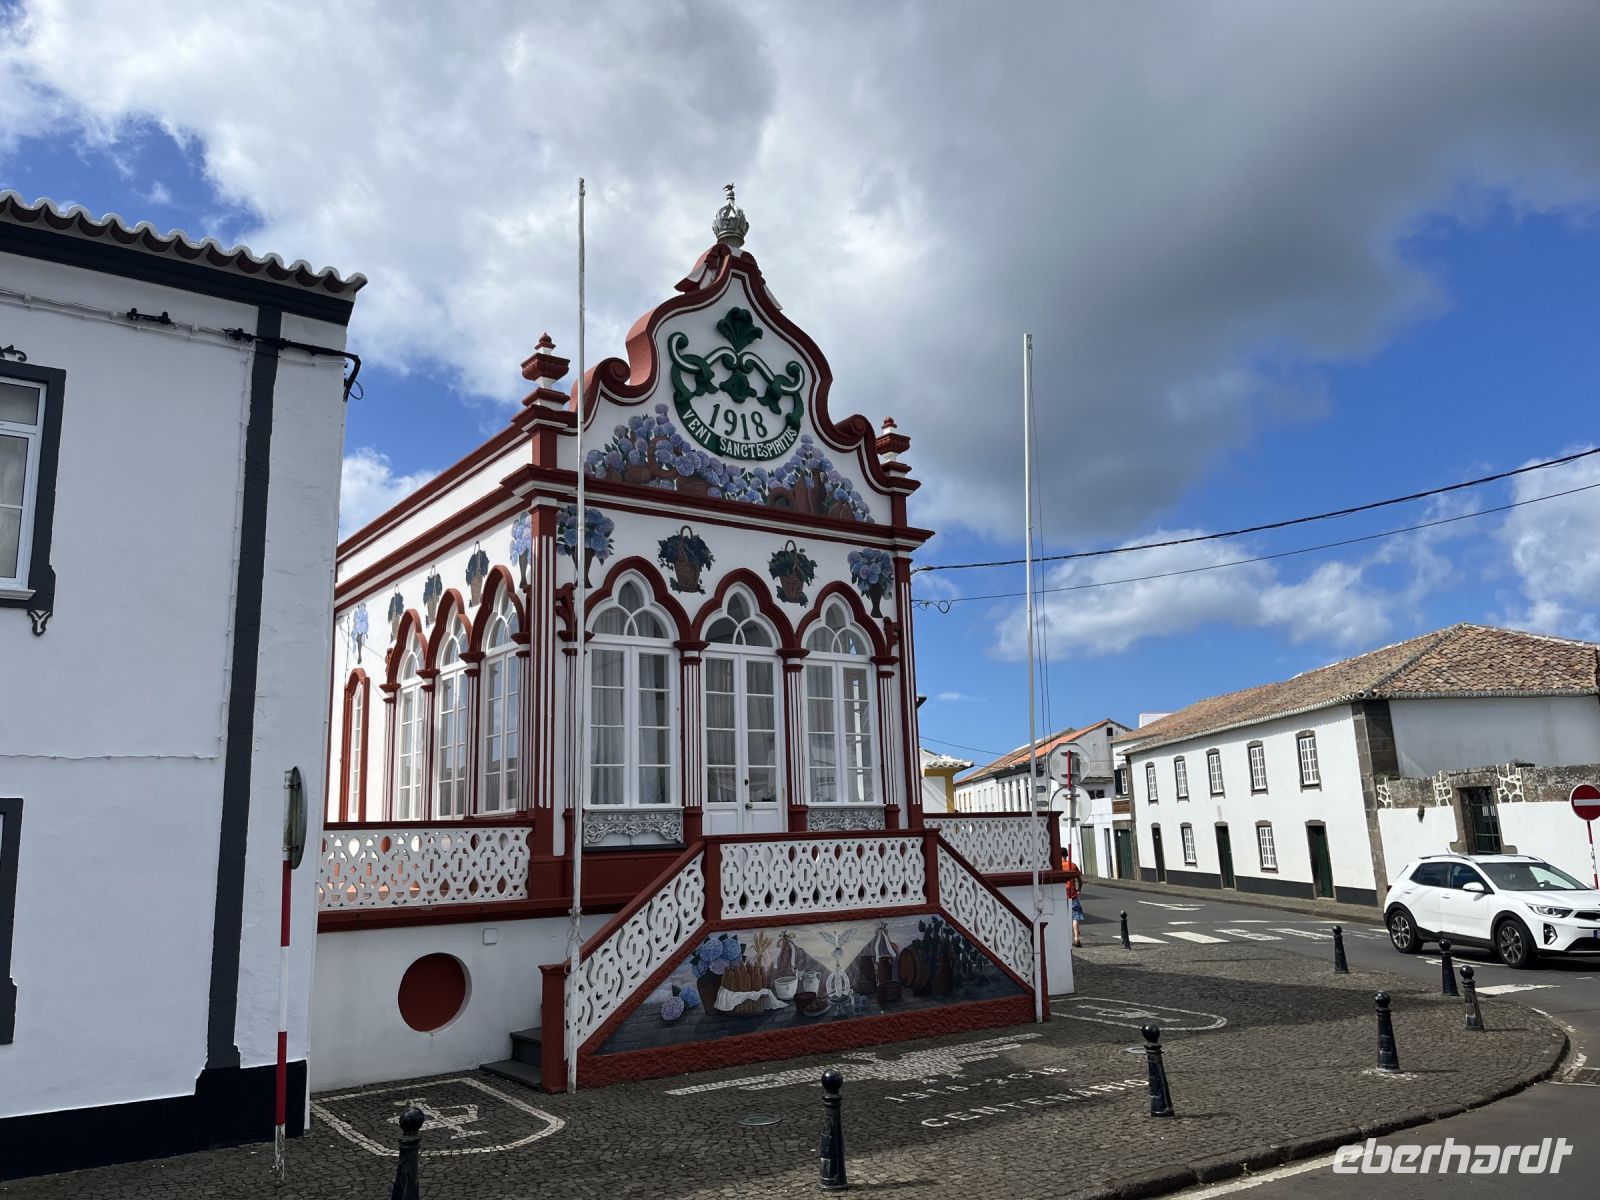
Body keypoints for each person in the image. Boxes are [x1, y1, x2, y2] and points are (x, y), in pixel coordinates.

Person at [1062, 849, 1084, 948]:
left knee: (1064, 918)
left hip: (1061, 896)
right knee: (1075, 917)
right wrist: (1079, 889)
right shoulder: (1073, 865)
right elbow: (1080, 880)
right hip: (1073, 894)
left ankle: (1065, 939)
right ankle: (1076, 937)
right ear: (1067, 855)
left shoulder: (1057, 867)